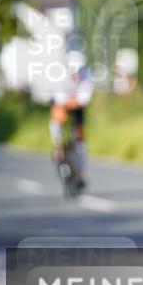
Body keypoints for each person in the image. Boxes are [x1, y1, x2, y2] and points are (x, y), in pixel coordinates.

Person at [50, 51, 93, 187]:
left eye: (78, 71)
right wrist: (72, 101)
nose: (76, 75)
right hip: (62, 105)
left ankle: (80, 173)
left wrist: (72, 101)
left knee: (80, 140)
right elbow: (59, 100)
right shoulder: (60, 77)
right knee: (57, 118)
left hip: (76, 106)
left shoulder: (87, 76)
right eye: (73, 71)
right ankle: (58, 148)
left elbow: (84, 100)